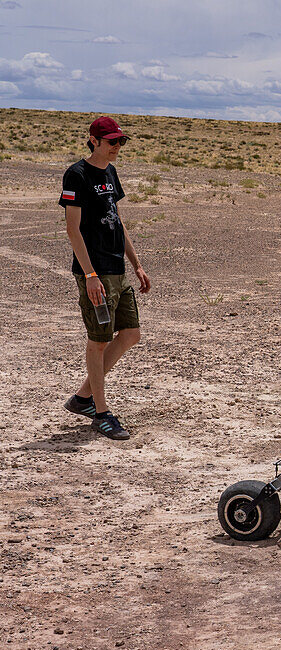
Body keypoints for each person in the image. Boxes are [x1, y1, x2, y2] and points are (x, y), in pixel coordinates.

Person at [59, 116, 151, 440]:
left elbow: (117, 219)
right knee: (98, 341)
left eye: (120, 142)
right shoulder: (77, 175)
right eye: (112, 141)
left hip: (118, 269)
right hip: (94, 272)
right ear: (94, 140)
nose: (117, 147)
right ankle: (100, 412)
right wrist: (90, 275)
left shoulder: (111, 173)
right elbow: (72, 230)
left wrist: (136, 263)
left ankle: (84, 396)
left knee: (131, 333)